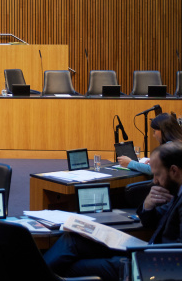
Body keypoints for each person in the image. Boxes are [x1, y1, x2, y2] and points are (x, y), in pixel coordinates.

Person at [45, 141, 182, 281]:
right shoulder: (176, 191)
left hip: (154, 263)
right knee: (73, 239)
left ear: (174, 170)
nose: (155, 181)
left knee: (70, 267)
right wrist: (148, 205)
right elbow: (152, 222)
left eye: (157, 175)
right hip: (146, 251)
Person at [117, 112, 182, 175]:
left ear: (163, 130)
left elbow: (153, 170)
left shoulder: (169, 147)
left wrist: (130, 163)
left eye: (154, 131)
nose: (154, 135)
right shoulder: (178, 143)